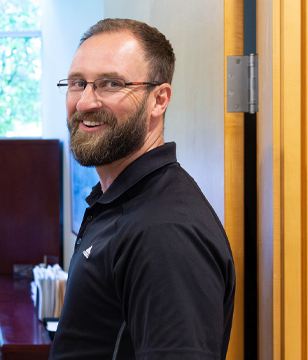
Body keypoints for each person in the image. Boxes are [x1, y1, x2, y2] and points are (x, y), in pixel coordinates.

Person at [49, 19, 236, 360]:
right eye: (78, 83)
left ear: (159, 100)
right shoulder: (123, 203)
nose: (85, 103)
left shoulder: (165, 231)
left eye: (110, 84)